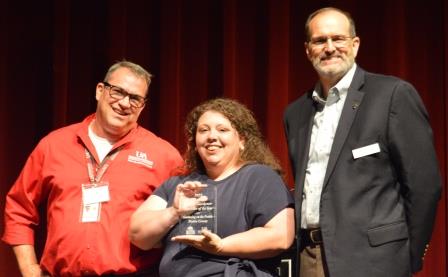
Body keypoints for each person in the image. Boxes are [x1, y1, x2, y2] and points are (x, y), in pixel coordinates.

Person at [283, 7, 442, 277]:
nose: (330, 48)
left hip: (376, 262)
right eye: (320, 41)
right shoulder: (295, 113)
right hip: (309, 259)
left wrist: (408, 256)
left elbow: (424, 186)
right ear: (308, 49)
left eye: (338, 39)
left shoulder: (392, 95)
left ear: (355, 45)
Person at [2, 61, 184, 276]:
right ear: (100, 91)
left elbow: (185, 221)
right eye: (118, 92)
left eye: (135, 98)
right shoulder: (54, 145)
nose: (124, 103)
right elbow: (19, 210)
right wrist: (29, 268)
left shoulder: (163, 155)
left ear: (142, 106)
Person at [129, 98, 295, 277]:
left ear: (242, 140)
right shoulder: (177, 185)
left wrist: (221, 246)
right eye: (203, 130)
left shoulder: (258, 177)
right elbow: (138, 235)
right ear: (195, 143)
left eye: (222, 130)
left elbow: (281, 236)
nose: (211, 137)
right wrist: (174, 212)